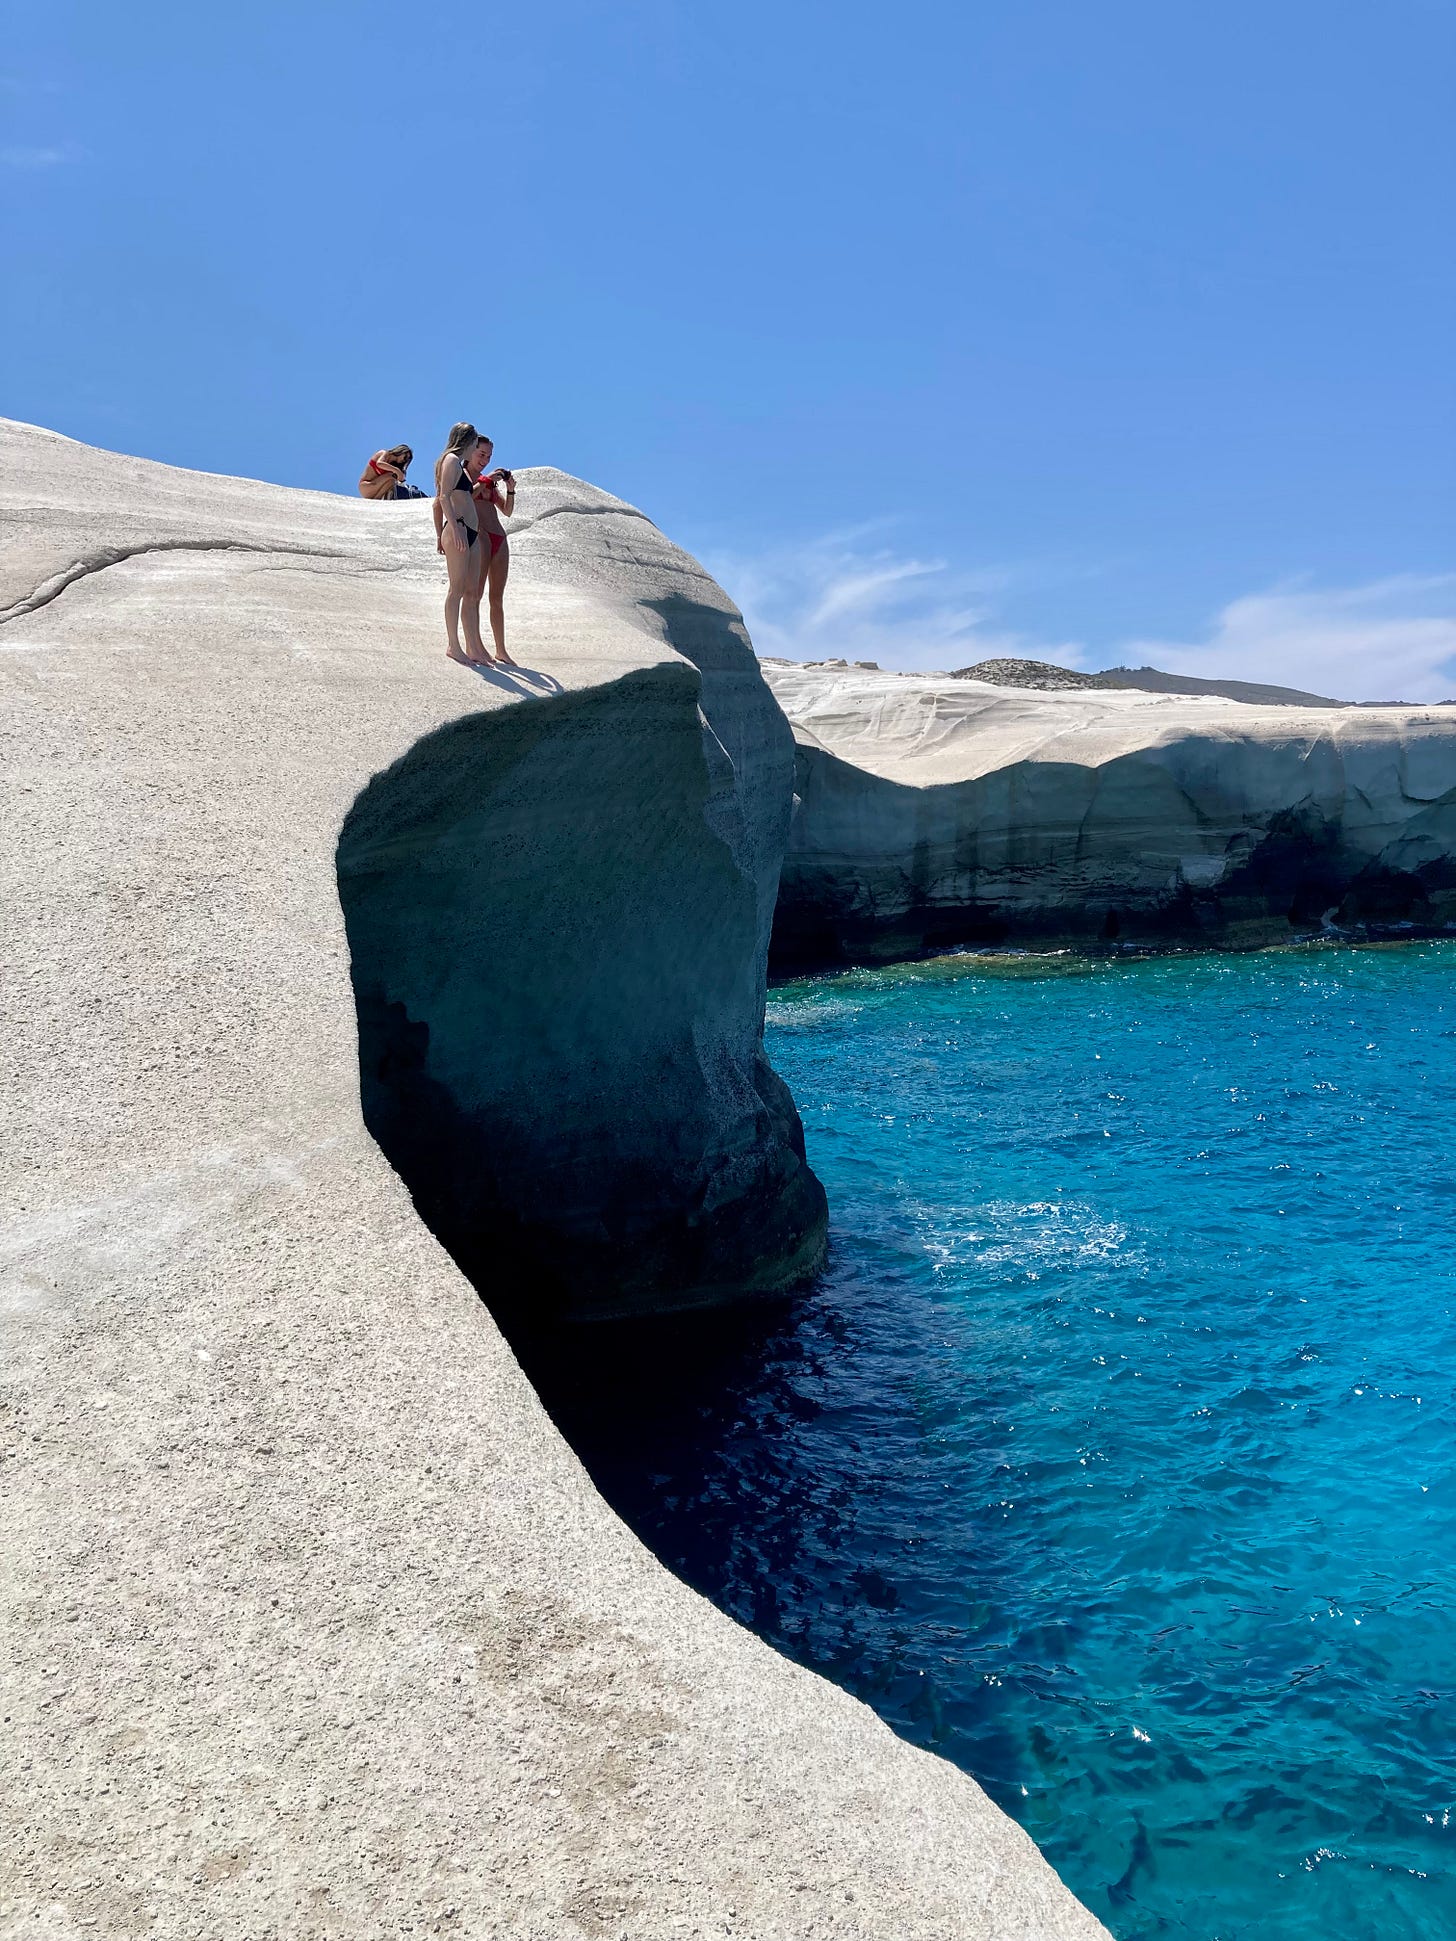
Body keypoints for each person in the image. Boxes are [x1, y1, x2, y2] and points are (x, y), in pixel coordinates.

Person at [433, 423, 492, 665]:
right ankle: (453, 645)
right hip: (458, 529)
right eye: (475, 445)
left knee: (471, 592)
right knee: (456, 589)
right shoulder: (450, 460)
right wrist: (452, 529)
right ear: (467, 441)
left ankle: (473, 648)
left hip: (469, 532)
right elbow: (443, 497)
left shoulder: (459, 465)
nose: (475, 449)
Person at [467, 436, 517, 666]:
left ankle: (501, 649)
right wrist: (486, 479)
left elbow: (507, 511)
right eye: (482, 454)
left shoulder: (487, 483)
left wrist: (510, 490)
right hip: (481, 536)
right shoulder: (464, 475)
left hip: (499, 537)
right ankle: (476, 645)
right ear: (471, 452)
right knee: (475, 595)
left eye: (488, 456)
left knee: (497, 598)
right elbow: (466, 495)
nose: (485, 460)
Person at [358, 444, 424, 500]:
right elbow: (379, 463)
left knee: (392, 480)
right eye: (405, 457)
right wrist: (396, 470)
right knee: (390, 475)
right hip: (366, 486)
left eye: (406, 460)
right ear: (401, 451)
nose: (404, 460)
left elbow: (400, 480)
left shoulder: (392, 466)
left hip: (375, 491)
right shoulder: (384, 453)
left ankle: (376, 500)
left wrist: (401, 476)